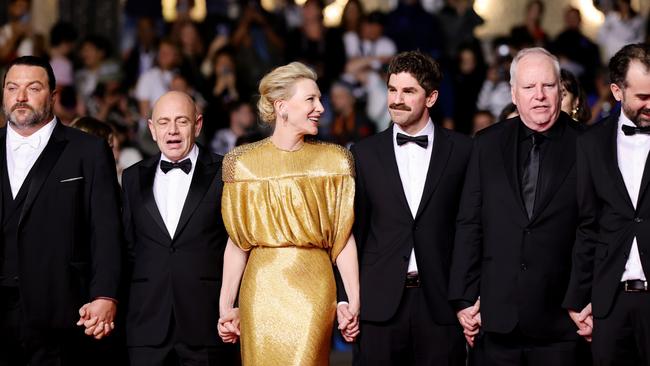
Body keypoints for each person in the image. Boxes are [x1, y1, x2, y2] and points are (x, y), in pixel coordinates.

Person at [217, 62, 360, 365]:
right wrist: (226, 305)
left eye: (320, 99)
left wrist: (353, 299)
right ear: (281, 106)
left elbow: (343, 238)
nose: (321, 108)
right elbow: (238, 242)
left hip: (314, 289)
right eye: (311, 99)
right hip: (261, 289)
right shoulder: (241, 163)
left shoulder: (335, 161)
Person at [449, 47, 582, 365]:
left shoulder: (588, 145)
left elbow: (598, 229)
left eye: (548, 86)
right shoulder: (485, 144)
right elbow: (469, 223)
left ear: (560, 90)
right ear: (513, 93)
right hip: (496, 321)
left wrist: (586, 299)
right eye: (529, 87)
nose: (539, 95)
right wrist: (464, 298)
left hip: (563, 323)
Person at [350, 50, 471, 365]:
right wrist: (347, 298)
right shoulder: (363, 154)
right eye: (392, 89)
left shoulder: (463, 151)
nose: (396, 100)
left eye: (408, 91)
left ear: (430, 98)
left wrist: (469, 297)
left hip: (442, 304)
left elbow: (471, 228)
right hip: (379, 306)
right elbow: (353, 232)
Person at [0, 56, 123, 364]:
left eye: (33, 87)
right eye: (12, 87)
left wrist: (105, 294)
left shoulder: (88, 151)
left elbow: (106, 230)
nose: (21, 97)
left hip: (62, 310)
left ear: (53, 96)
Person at [119, 91, 237, 365]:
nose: (172, 130)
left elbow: (239, 244)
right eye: (163, 122)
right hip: (146, 324)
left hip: (208, 323)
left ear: (197, 125)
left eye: (181, 121)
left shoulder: (227, 171)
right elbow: (129, 248)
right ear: (151, 128)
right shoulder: (132, 176)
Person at [563, 42, 650, 366]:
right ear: (616, 91)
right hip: (610, 303)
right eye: (642, 97)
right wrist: (578, 299)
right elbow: (588, 225)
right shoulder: (591, 144)